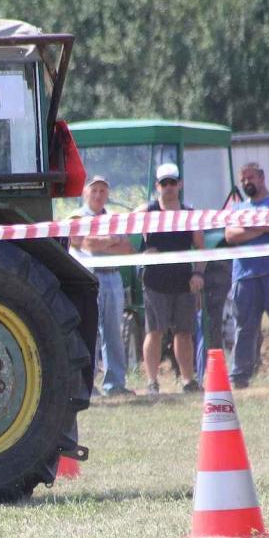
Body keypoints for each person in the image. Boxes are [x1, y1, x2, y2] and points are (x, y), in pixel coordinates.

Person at [136, 163, 205, 395]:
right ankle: (152, 382)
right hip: (154, 282)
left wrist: (198, 273)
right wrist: (141, 255)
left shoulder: (190, 214)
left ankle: (187, 380)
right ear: (157, 186)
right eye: (164, 183)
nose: (168, 187)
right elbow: (122, 229)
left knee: (184, 332)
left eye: (172, 182)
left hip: (184, 281)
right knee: (154, 332)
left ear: (180, 185)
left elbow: (201, 248)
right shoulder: (147, 211)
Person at [69, 176, 135, 396]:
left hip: (113, 278)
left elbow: (126, 248)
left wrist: (101, 241)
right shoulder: (77, 217)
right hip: (89, 278)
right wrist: (111, 240)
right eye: (94, 190)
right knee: (89, 332)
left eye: (102, 191)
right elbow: (85, 242)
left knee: (113, 332)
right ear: (86, 193)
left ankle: (115, 383)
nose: (98, 195)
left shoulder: (114, 218)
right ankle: (88, 383)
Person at [223, 162, 269, 389]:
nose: (247, 182)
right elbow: (230, 235)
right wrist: (263, 227)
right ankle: (240, 376)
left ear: (262, 177)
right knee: (244, 327)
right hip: (245, 277)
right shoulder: (237, 208)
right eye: (243, 179)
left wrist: (250, 228)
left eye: (251, 177)